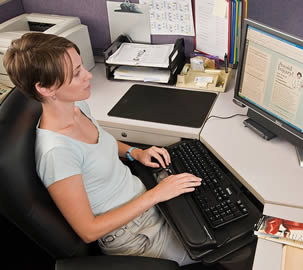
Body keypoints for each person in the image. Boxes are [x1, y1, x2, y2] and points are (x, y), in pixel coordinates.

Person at [3, 32, 202, 266]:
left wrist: (135, 152)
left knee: (217, 204)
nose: (88, 75)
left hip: (146, 200)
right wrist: (157, 194)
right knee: (227, 248)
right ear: (46, 89)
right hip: (133, 235)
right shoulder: (56, 154)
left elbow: (99, 144)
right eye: (76, 73)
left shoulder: (76, 106)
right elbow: (89, 231)